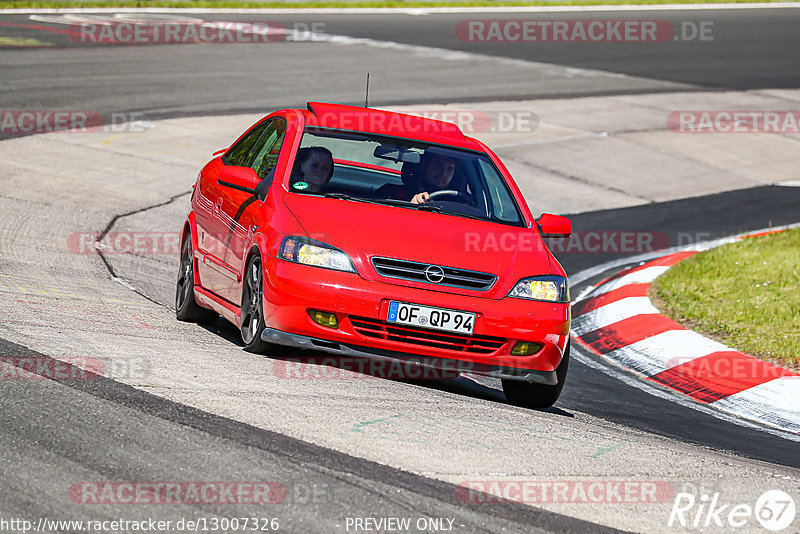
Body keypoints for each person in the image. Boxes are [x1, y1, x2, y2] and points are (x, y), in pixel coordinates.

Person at [377, 152, 459, 204]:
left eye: (450, 169)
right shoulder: (390, 193)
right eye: (438, 165)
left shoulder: (455, 204)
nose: (444, 173)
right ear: (424, 165)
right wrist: (410, 208)